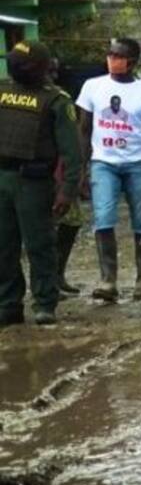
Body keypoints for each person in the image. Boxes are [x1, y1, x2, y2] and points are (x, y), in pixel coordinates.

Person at [77, 37, 141, 302]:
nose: (112, 59)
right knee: (103, 219)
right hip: (103, 164)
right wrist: (81, 168)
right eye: (110, 54)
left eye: (118, 55)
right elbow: (84, 130)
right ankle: (108, 280)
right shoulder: (92, 87)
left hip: (137, 164)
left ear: (132, 62)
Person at [0, 41, 81, 325]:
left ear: (40, 68)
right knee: (4, 245)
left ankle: (45, 302)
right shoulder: (2, 90)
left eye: (21, 63)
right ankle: (9, 304)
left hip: (33, 181)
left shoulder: (56, 99)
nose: (14, 67)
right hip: (3, 177)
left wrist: (67, 190)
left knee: (39, 244)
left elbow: (72, 151)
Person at [47, 56, 83, 296]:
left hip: (57, 171)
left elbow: (70, 144)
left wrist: (73, 178)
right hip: (35, 174)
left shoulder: (59, 99)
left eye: (53, 71)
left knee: (70, 221)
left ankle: (56, 275)